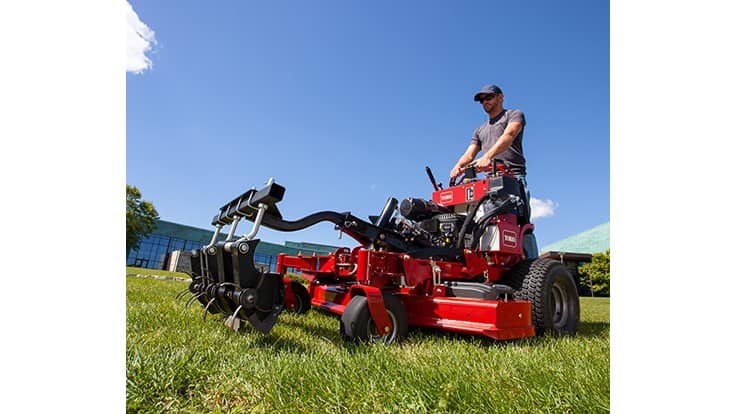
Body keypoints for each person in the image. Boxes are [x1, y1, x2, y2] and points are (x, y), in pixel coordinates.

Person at [449, 84, 539, 258]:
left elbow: (509, 135)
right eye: (482, 100)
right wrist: (457, 167)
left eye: (488, 97)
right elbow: (469, 153)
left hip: (513, 178)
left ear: (500, 97)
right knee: (485, 223)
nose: (485, 102)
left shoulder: (513, 115)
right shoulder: (480, 130)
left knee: (521, 224)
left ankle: (532, 267)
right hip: (489, 183)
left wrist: (488, 156)